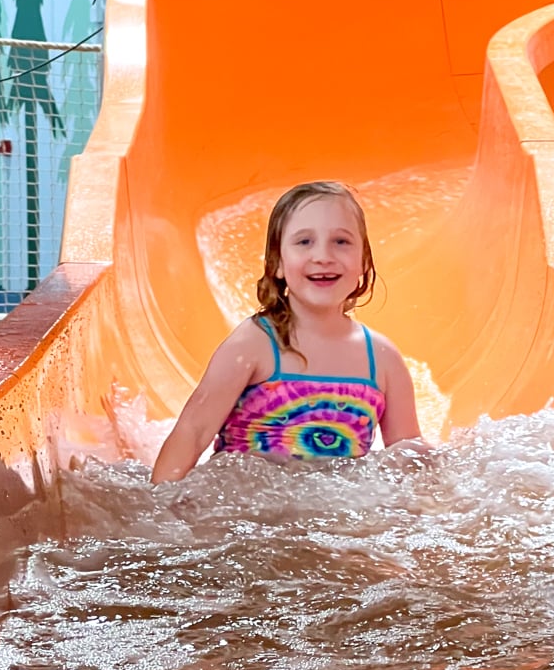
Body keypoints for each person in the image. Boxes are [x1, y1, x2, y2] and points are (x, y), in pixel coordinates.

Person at [150, 181, 424, 483]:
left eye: (341, 241)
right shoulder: (255, 343)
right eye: (304, 242)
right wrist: (159, 501)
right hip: (248, 504)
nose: (323, 256)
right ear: (278, 263)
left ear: (363, 262)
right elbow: (193, 431)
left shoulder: (382, 358)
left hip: (336, 507)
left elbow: (407, 457)